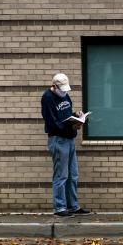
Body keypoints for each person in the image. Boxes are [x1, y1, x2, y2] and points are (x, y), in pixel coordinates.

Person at [41, 73, 90, 217]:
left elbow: (65, 114)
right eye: (61, 89)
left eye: (65, 89)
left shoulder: (65, 95)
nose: (64, 92)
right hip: (58, 140)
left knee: (73, 175)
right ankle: (60, 208)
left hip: (69, 139)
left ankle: (73, 206)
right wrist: (71, 127)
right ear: (54, 86)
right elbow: (52, 123)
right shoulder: (47, 98)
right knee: (61, 176)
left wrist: (77, 115)